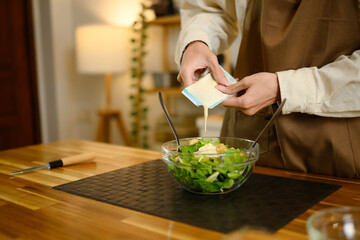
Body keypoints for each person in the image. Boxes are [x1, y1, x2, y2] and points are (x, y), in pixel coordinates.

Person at [175, 0, 360, 178]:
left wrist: (284, 87)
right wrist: (196, 42)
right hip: (252, 132)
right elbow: (211, 8)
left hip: (338, 143)